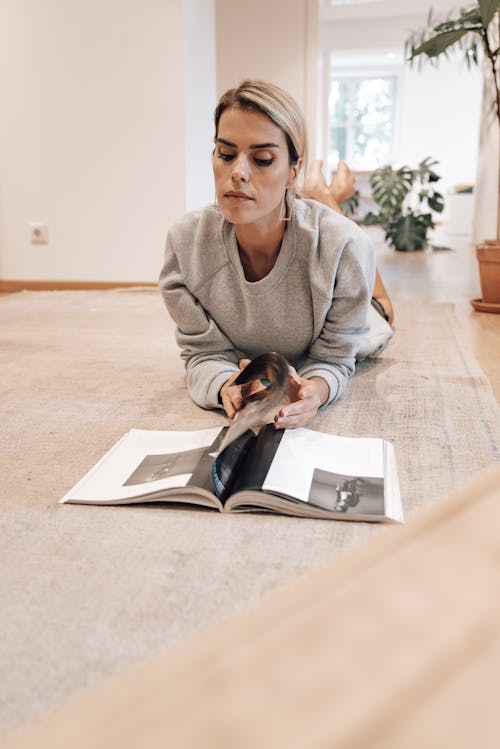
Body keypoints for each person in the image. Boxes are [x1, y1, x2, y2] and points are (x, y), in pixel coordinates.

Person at [159, 79, 394, 429]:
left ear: (292, 170)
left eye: (263, 159)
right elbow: (202, 353)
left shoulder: (344, 247)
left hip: (366, 314)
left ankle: (326, 196)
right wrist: (224, 383)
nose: (237, 173)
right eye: (225, 154)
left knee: (379, 302)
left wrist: (317, 388)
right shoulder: (185, 244)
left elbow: (335, 358)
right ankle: (322, 193)